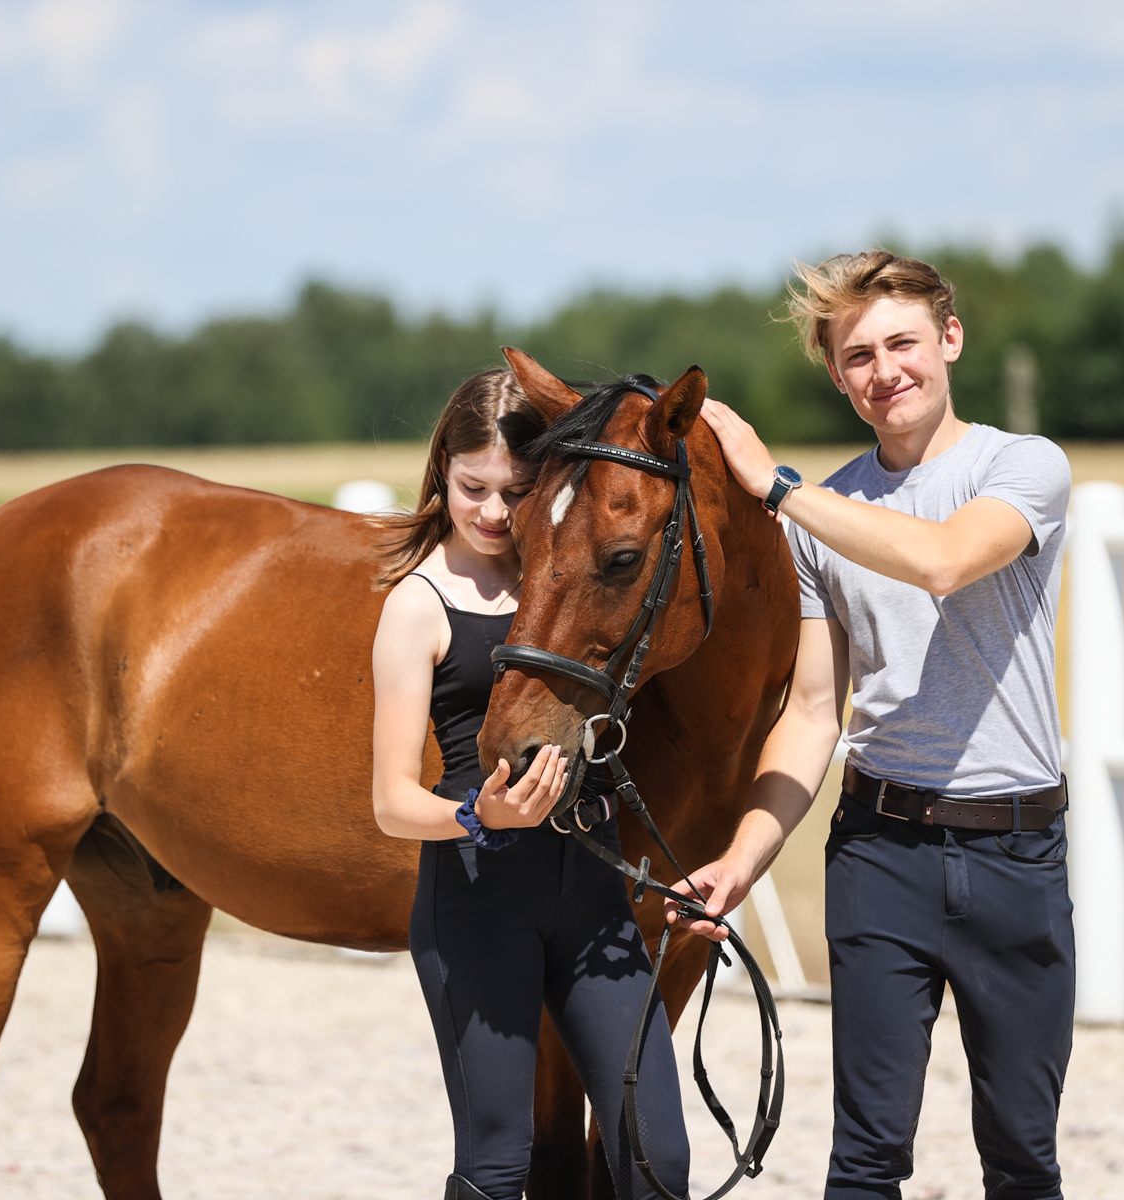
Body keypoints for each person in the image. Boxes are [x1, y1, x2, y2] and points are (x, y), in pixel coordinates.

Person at [670, 251, 1075, 1200]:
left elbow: (943, 562)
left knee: (1022, 1158)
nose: (886, 370)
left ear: (950, 340)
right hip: (879, 856)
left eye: (903, 343)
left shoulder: (1024, 466)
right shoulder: (823, 516)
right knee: (864, 1162)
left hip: (1017, 855)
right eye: (858, 356)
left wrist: (778, 488)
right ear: (838, 375)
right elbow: (814, 713)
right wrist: (742, 860)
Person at [370, 368, 691, 1200]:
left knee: (659, 1157)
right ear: (441, 468)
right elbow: (391, 801)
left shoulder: (564, 576)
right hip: (479, 897)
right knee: (497, 1167)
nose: (489, 511)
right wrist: (479, 816)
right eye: (471, 486)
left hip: (590, 898)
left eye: (513, 492)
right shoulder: (419, 605)